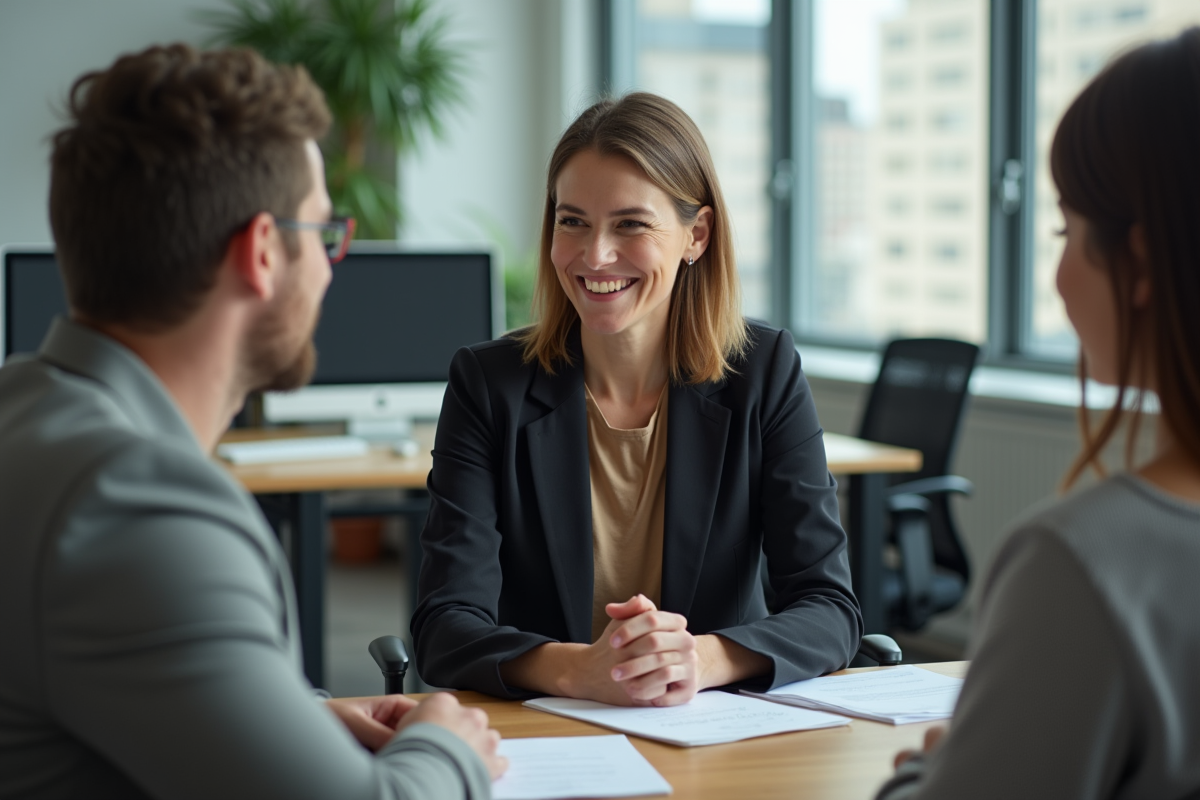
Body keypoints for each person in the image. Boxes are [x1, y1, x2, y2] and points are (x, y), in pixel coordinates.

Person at [0, 44, 504, 799]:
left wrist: (297, 720)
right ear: (263, 252)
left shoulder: (22, 406)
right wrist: (446, 744)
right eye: (322, 234)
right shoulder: (140, 507)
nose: (332, 268)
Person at [412, 92, 862, 707]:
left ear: (695, 235)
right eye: (572, 221)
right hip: (546, 732)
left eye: (630, 224)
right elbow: (445, 625)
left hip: (713, 730)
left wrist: (699, 658)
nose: (595, 255)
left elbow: (830, 608)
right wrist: (577, 670)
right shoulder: (489, 385)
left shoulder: (763, 373)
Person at [875, 27, 1200, 800]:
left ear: (1143, 262)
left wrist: (930, 771)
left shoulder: (1089, 564)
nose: (1056, 274)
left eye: (1066, 228)